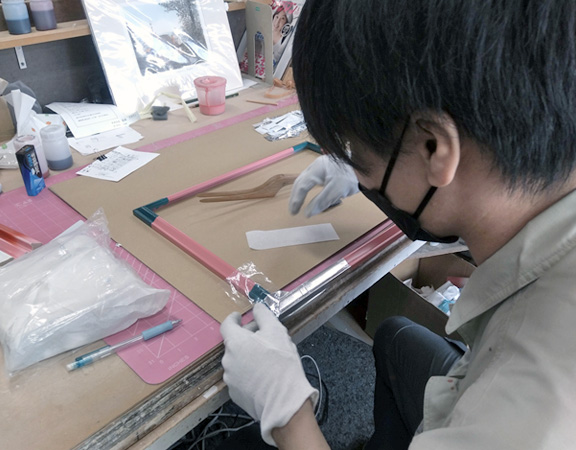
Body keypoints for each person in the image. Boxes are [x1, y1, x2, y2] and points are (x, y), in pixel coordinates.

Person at [220, 0, 576, 449]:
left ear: (433, 148)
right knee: (396, 339)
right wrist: (376, 166)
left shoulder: (528, 413)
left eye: (358, 156)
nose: (361, 177)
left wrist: (287, 413)